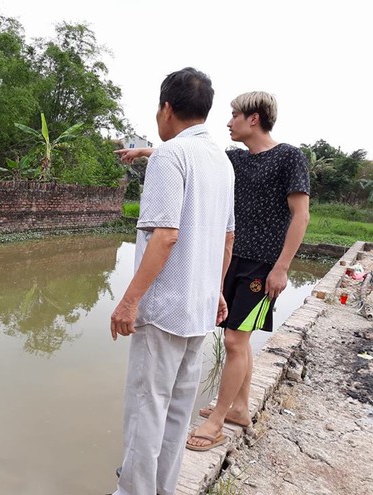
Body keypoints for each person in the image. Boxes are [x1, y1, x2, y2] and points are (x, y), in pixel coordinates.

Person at [109, 67, 235, 495]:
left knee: (147, 407)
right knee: (178, 410)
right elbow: (227, 236)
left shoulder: (170, 156)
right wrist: (216, 289)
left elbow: (165, 235)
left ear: (166, 108)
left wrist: (129, 301)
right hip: (199, 308)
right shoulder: (221, 160)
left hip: (164, 310)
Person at [184, 91, 311, 450]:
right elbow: (194, 158)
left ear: (253, 118)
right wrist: (147, 153)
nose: (229, 122)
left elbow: (301, 216)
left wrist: (282, 268)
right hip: (232, 259)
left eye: (235, 115)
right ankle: (240, 407)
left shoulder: (289, 157)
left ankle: (218, 421)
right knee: (239, 339)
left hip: (263, 265)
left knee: (234, 340)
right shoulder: (236, 160)